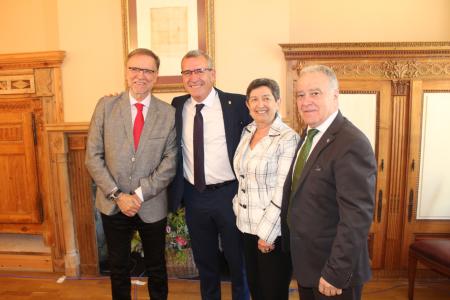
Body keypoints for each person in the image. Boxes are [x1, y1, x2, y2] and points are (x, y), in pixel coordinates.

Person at [85, 48, 177, 300]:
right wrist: (118, 195)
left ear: (156, 76)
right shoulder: (105, 106)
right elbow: (92, 156)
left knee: (157, 268)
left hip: (151, 203)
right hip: (113, 203)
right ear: (126, 72)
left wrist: (137, 194)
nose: (141, 75)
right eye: (135, 69)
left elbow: (170, 162)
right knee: (118, 268)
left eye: (148, 70)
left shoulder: (168, 113)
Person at [281, 65, 376, 300]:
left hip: (333, 272)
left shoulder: (351, 143)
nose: (305, 101)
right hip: (308, 265)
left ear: (335, 96)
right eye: (301, 95)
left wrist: (336, 272)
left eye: (315, 93)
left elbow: (356, 217)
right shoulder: (309, 134)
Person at [169, 49, 251, 300]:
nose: (193, 77)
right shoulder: (177, 105)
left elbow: (265, 125)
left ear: (212, 74)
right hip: (194, 195)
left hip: (230, 195)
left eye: (199, 70)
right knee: (205, 263)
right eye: (187, 72)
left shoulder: (237, 104)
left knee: (238, 262)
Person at [232, 78, 298, 300]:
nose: (260, 104)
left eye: (266, 98)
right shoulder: (247, 132)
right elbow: (242, 178)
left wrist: (267, 235)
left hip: (273, 233)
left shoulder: (287, 138)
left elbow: (283, 190)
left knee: (273, 293)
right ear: (248, 105)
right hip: (247, 227)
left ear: (278, 101)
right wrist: (237, 210)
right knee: (256, 289)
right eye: (254, 99)